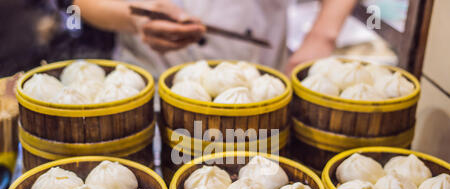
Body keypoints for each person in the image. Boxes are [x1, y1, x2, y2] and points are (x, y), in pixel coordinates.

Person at [74, 0, 358, 76]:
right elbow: (85, 3)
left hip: (260, 87)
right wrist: (133, 17)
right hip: (153, 88)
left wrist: (322, 36)